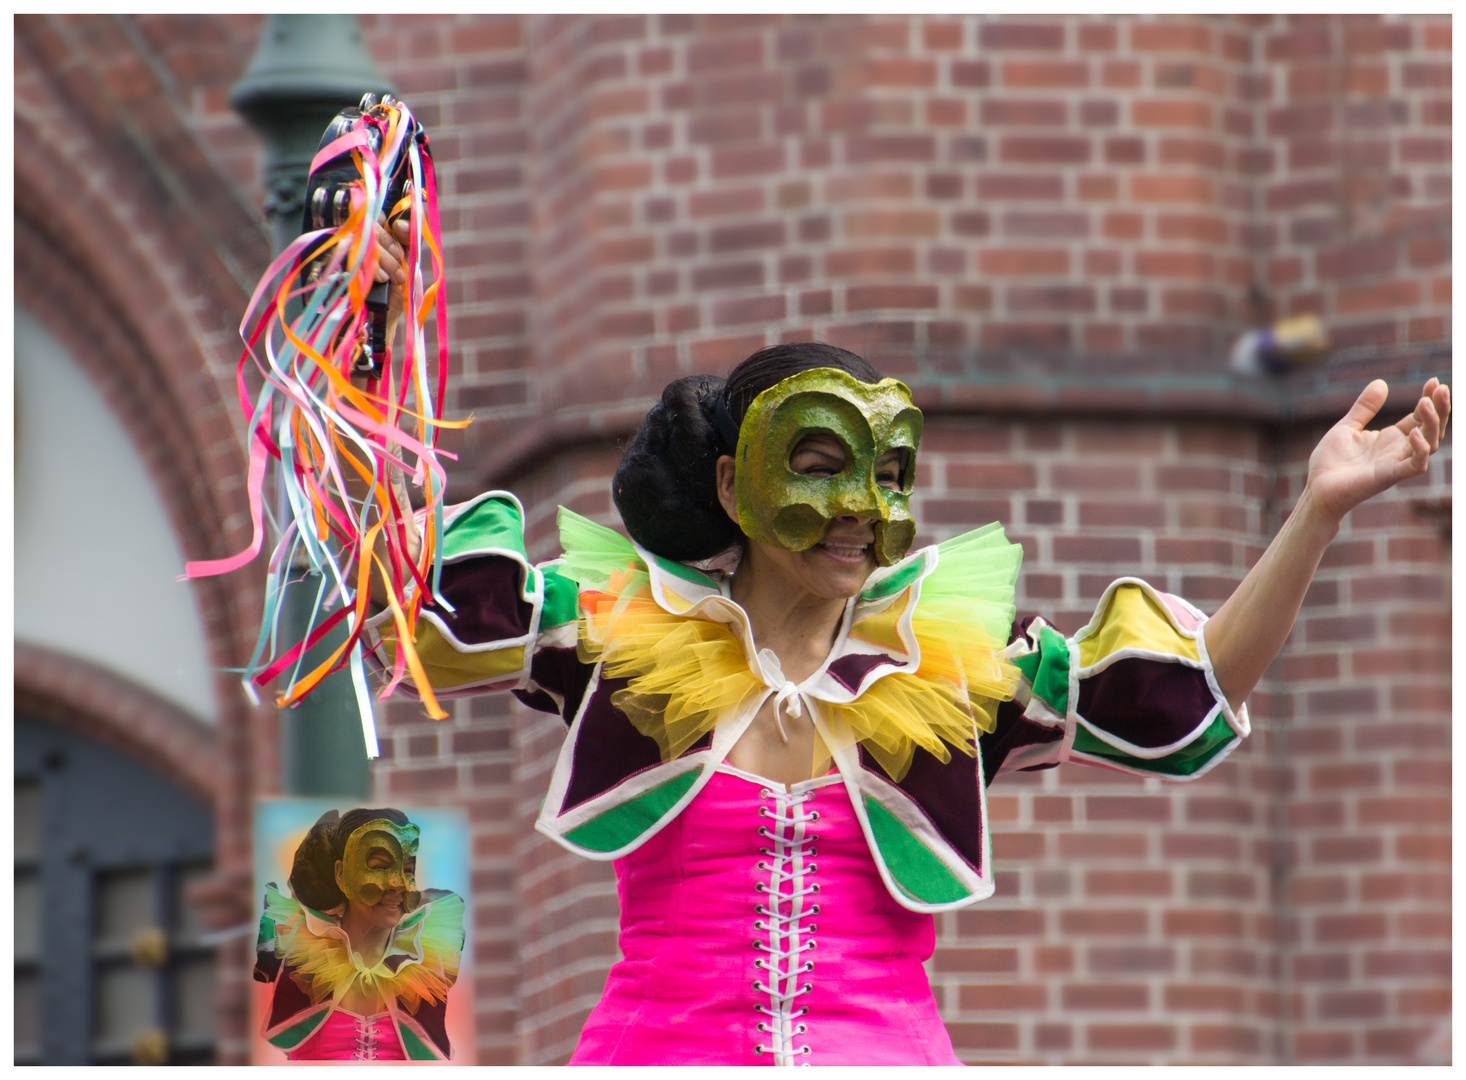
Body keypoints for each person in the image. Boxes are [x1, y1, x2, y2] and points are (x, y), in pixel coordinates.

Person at [362, 220, 1448, 1065]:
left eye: (885, 476)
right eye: (822, 466)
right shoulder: (619, 641)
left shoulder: (951, 673)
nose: (860, 509)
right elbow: (399, 591)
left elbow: (1189, 691)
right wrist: (369, 340)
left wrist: (1316, 512)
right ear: (735, 484)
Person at [254, 807, 465, 1061]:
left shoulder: (425, 964)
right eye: (379, 867)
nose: (398, 884)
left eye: (408, 870)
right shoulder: (300, 956)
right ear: (341, 875)